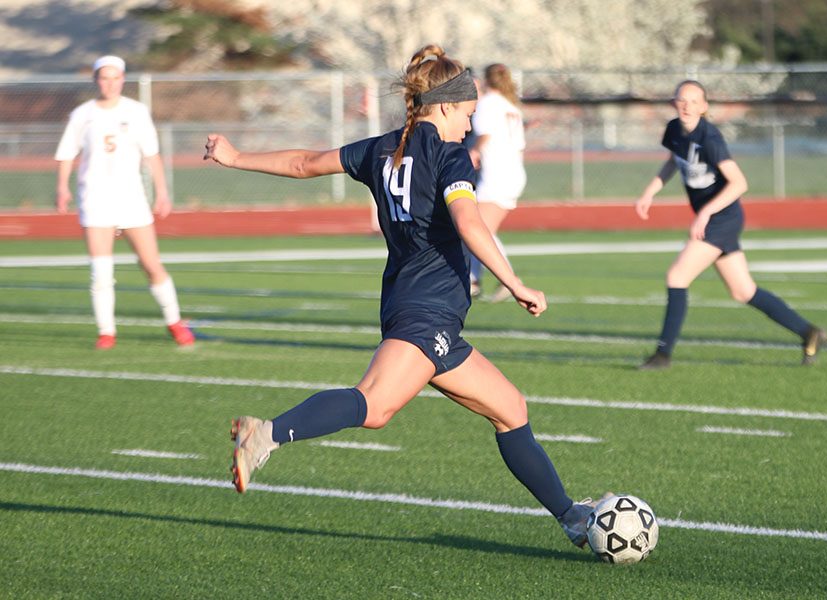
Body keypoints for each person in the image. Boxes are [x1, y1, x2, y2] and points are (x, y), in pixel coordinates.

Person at [205, 44, 605, 549]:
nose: (469, 122)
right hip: (427, 310)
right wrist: (515, 282)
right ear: (443, 106)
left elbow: (305, 163)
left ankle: (571, 517)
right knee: (373, 405)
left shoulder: (381, 148)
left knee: (511, 409)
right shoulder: (448, 153)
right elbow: (467, 221)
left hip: (413, 305)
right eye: (466, 111)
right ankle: (265, 433)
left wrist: (235, 157)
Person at [634, 79, 827, 369]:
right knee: (743, 291)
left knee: (677, 277)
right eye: (681, 100)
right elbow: (674, 160)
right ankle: (809, 332)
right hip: (715, 219)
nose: (686, 106)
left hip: (723, 218)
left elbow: (739, 183)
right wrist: (651, 190)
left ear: (704, 107)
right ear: (674, 103)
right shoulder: (674, 129)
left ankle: (662, 355)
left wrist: (704, 213)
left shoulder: (710, 139)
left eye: (693, 101)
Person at [55, 55, 194, 350]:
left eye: (115, 77)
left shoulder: (137, 111)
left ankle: (174, 322)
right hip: (94, 199)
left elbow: (152, 154)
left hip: (131, 198)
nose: (110, 83)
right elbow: (67, 152)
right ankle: (107, 332)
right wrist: (62, 187)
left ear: (123, 79)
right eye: (104, 77)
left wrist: (162, 192)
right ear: (96, 80)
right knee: (101, 271)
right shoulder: (83, 114)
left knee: (151, 264)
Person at [467, 63, 527, 303]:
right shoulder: (511, 106)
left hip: (496, 175)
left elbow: (485, 134)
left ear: (485, 80)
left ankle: (508, 279)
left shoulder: (487, 104)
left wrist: (473, 153)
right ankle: (473, 280)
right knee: (478, 229)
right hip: (514, 173)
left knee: (477, 229)